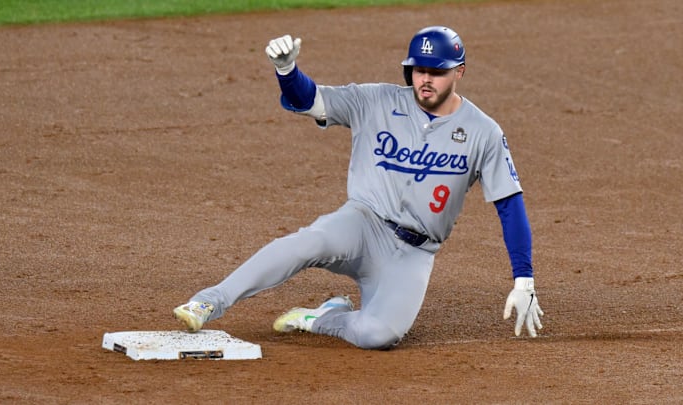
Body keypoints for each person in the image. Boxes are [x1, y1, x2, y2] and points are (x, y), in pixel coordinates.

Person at [173, 26, 544, 349]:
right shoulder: (375, 100)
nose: (425, 79)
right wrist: (287, 71)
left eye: (436, 72)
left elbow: (509, 204)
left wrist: (523, 280)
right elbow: (310, 100)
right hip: (362, 223)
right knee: (309, 242)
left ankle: (322, 318)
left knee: (377, 336)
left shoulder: (484, 132)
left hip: (414, 254)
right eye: (418, 70)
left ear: (459, 72)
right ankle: (210, 301)